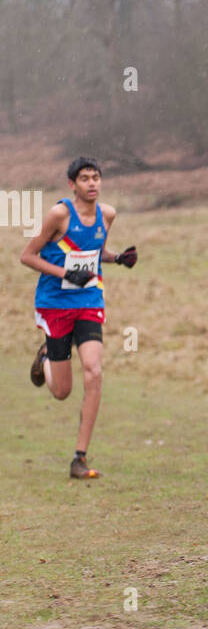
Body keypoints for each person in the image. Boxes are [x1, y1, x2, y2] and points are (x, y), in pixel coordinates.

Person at [20, 157, 137, 478]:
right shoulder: (60, 214)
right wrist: (65, 273)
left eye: (96, 177)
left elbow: (95, 251)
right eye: (84, 178)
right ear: (72, 184)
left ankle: (79, 458)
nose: (92, 183)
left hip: (89, 300)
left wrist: (118, 258)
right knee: (61, 392)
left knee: (94, 371)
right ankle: (46, 356)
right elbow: (27, 256)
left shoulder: (107, 214)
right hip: (55, 303)